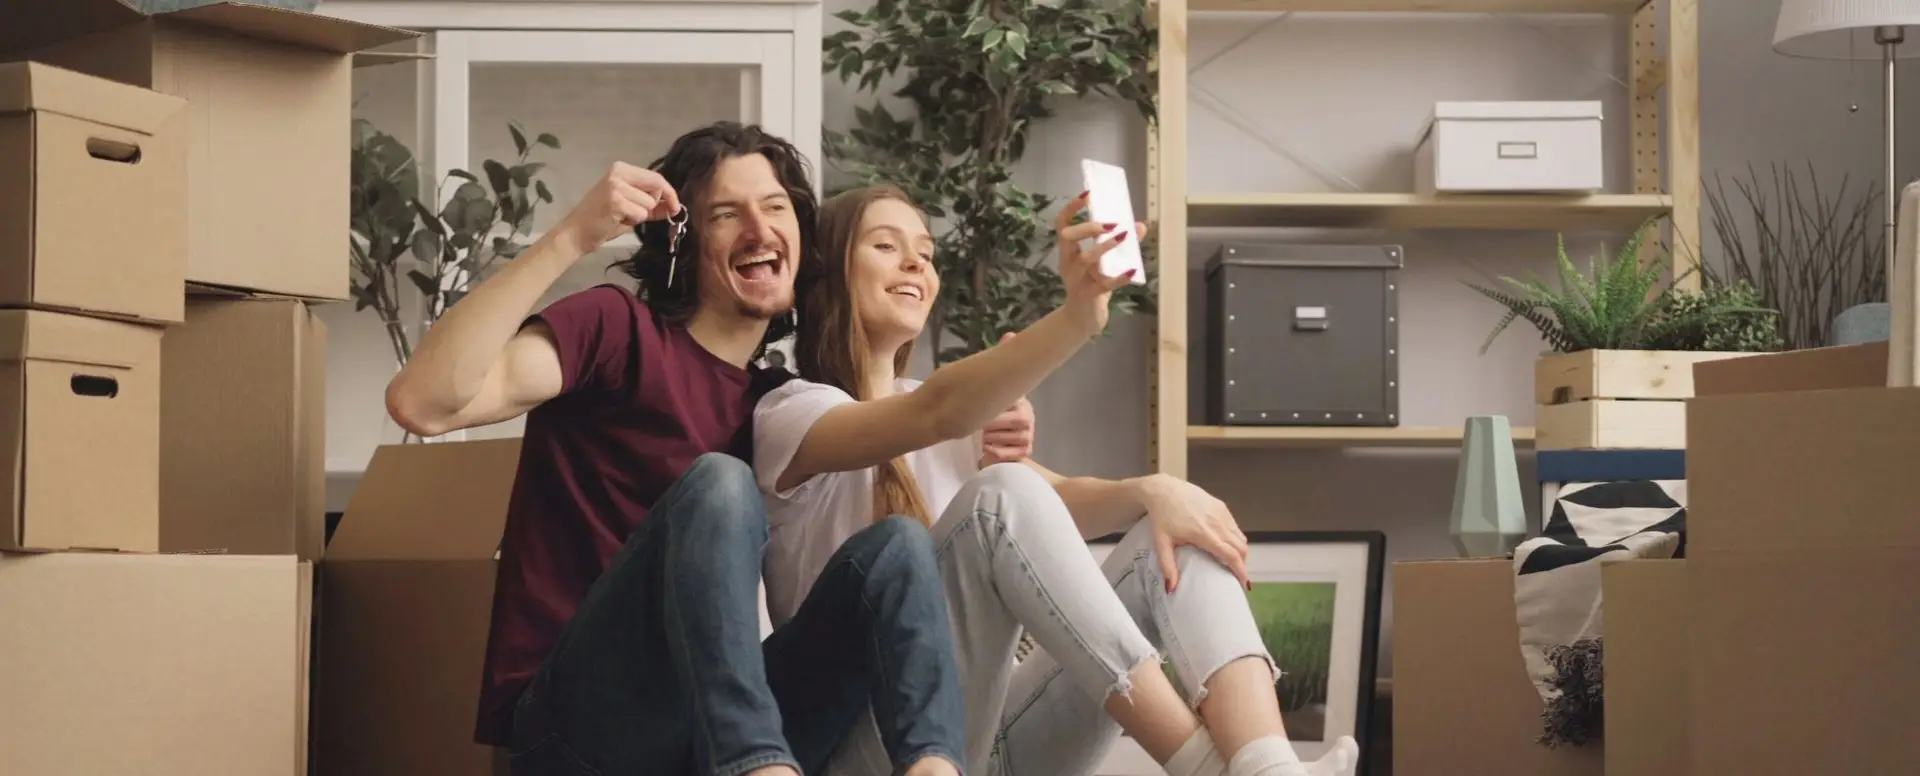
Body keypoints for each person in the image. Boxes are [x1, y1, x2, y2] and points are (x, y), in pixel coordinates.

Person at [384, 123, 982, 776]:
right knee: (720, 484)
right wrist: (572, 237)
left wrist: (990, 440)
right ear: (682, 240)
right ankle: (760, 767)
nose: (759, 229)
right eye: (727, 214)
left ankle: (934, 770)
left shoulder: (777, 403)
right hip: (573, 730)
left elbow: (903, 422)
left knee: (896, 548)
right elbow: (423, 403)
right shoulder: (616, 330)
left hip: (698, 736)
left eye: (776, 207)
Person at [749, 185, 1363, 776]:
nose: (914, 260)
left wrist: (1156, 492)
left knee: (1171, 532)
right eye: (885, 245)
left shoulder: (957, 425)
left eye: (927, 253)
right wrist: (1077, 316)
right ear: (827, 272)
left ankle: (1267, 764)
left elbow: (1054, 501)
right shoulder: (791, 413)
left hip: (985, 742)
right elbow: (939, 416)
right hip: (872, 750)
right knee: (1003, 495)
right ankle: (1206, 766)